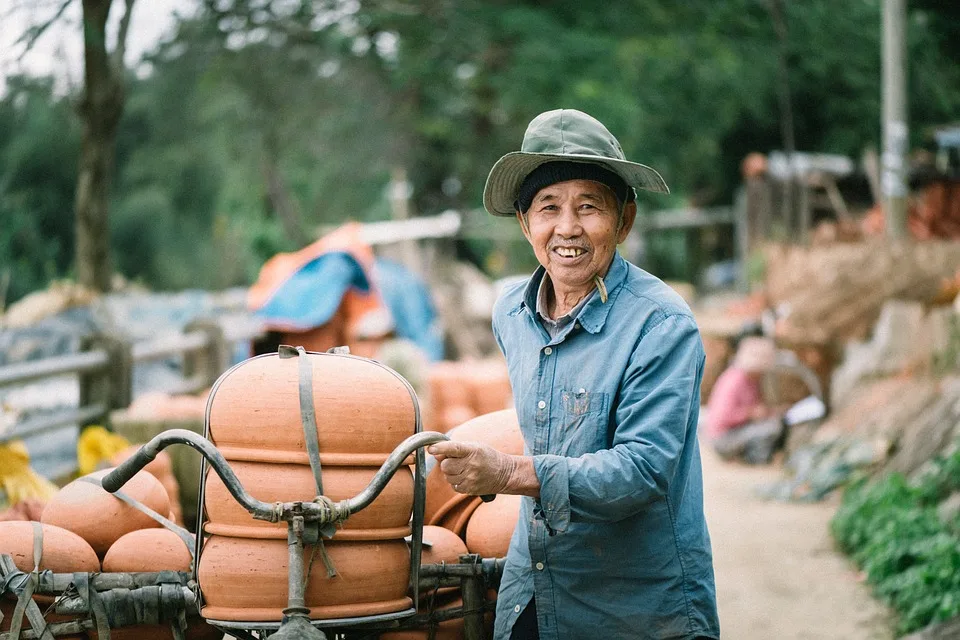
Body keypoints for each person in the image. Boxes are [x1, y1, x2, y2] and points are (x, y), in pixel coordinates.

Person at [428, 109, 719, 640]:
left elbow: (642, 472)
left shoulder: (662, 324)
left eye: (589, 207)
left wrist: (509, 473)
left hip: (637, 607)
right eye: (549, 208)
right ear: (524, 223)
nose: (567, 228)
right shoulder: (511, 315)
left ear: (624, 221)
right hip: (536, 590)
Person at [705, 336, 786, 464]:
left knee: (774, 422)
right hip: (722, 437)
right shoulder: (734, 381)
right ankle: (755, 459)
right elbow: (724, 416)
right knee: (771, 428)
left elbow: (759, 406)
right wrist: (750, 413)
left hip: (736, 431)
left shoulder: (753, 381)